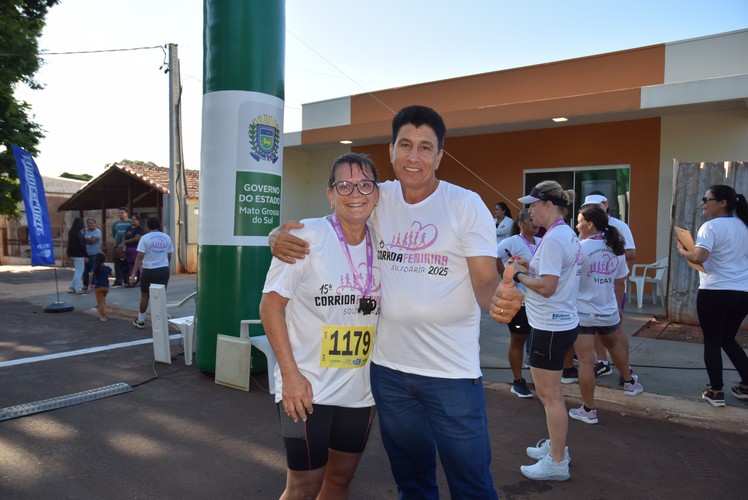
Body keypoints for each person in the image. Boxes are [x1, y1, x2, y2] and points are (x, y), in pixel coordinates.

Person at [269, 105, 522, 499]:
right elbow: (332, 218)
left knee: (471, 483)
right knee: (412, 483)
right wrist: (276, 234)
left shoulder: (464, 204)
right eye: (405, 145)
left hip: (451, 372)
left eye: (425, 147)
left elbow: (486, 280)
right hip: (388, 373)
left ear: (440, 155)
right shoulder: (377, 196)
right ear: (391, 151)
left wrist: (498, 301)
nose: (414, 157)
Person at [260, 153, 381, 499]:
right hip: (307, 388)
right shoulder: (306, 237)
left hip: (359, 390)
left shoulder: (385, 240)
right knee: (302, 487)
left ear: (375, 193)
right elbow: (270, 307)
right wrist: (291, 377)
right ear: (330, 194)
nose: (354, 192)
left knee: (339, 482)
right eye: (343, 185)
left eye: (364, 184)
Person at [513, 180, 580, 481]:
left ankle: (557, 461)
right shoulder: (564, 233)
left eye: (533, 205)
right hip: (559, 322)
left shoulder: (553, 239)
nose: (530, 211)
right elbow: (554, 275)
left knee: (549, 395)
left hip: (551, 324)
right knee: (550, 394)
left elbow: (548, 288)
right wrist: (531, 268)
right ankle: (557, 448)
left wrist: (519, 274)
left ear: (549, 205)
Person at [569, 206, 644, 425]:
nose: (576, 225)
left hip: (583, 313)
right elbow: (620, 281)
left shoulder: (579, 248)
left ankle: (589, 410)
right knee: (615, 346)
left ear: (590, 223)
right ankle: (629, 383)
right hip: (608, 309)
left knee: (585, 361)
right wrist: (618, 307)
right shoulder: (616, 247)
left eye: (579, 220)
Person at [676, 184, 748, 407]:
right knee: (728, 338)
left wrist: (682, 249)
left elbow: (699, 257)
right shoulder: (744, 226)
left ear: (723, 203)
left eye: (707, 199)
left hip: (715, 291)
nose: (703, 203)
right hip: (742, 292)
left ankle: (716, 391)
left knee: (713, 341)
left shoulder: (710, 227)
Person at [581, 193, 636, 380]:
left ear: (606, 204)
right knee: (597, 329)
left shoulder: (619, 226)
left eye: (596, 206)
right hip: (593, 294)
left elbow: (630, 252)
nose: (593, 210)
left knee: (616, 333)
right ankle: (603, 363)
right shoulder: (585, 236)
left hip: (611, 290)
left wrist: (606, 257)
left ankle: (626, 370)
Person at [497, 208, 540, 398]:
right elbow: (494, 257)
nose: (535, 223)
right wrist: (505, 278)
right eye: (531, 220)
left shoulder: (542, 242)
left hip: (540, 301)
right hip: (520, 302)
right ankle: (517, 381)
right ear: (521, 223)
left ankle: (539, 380)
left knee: (538, 342)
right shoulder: (510, 242)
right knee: (518, 340)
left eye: (536, 219)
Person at [129, 217, 173, 329]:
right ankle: (160, 320)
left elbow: (140, 256)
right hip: (163, 269)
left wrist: (133, 273)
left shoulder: (145, 238)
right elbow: (169, 256)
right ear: (159, 225)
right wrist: (165, 266)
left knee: (145, 295)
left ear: (147, 227)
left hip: (148, 270)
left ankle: (141, 320)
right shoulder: (167, 237)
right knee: (160, 295)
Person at [88, 252, 112, 321]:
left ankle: (103, 316)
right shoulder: (107, 268)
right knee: (103, 299)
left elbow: (90, 275)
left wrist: (90, 284)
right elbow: (111, 273)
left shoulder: (95, 268)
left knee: (100, 302)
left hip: (98, 287)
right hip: (106, 287)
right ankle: (103, 308)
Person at [111, 207, 132, 288]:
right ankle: (118, 281)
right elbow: (113, 234)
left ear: (127, 213)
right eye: (119, 213)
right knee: (117, 264)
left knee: (126, 264)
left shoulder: (130, 222)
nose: (120, 214)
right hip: (118, 247)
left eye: (122, 213)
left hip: (128, 246)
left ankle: (126, 280)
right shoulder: (115, 223)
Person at [122, 215, 145, 287]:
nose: (133, 221)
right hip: (128, 249)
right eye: (132, 220)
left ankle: (140, 280)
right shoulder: (129, 228)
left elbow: (136, 238)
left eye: (135, 220)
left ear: (138, 221)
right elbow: (124, 236)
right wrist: (123, 242)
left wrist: (126, 241)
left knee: (137, 265)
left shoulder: (140, 229)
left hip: (136, 248)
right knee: (130, 265)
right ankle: (132, 280)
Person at [66, 217, 87, 294]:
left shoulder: (71, 232)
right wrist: (86, 254)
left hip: (73, 253)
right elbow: (82, 245)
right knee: (80, 271)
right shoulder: (79, 233)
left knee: (78, 270)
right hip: (79, 254)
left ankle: (73, 285)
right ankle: (78, 288)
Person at [82, 218, 102, 291]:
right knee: (85, 271)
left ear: (95, 224)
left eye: (92, 223)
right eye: (89, 223)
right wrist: (86, 240)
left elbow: (93, 241)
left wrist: (84, 240)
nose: (90, 224)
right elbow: (79, 240)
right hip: (85, 254)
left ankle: (93, 284)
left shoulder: (97, 232)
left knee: (93, 270)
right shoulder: (84, 231)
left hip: (94, 254)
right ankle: (85, 285)